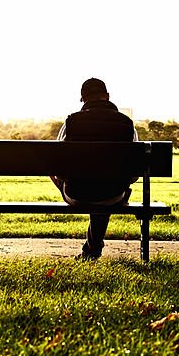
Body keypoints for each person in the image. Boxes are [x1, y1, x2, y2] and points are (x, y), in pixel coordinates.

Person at [51, 78, 138, 261]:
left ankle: (91, 250)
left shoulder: (71, 123)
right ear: (107, 96)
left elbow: (56, 164)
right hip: (112, 194)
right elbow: (133, 173)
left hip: (77, 193)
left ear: (82, 99)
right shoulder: (126, 124)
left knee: (91, 184)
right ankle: (92, 249)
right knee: (105, 190)